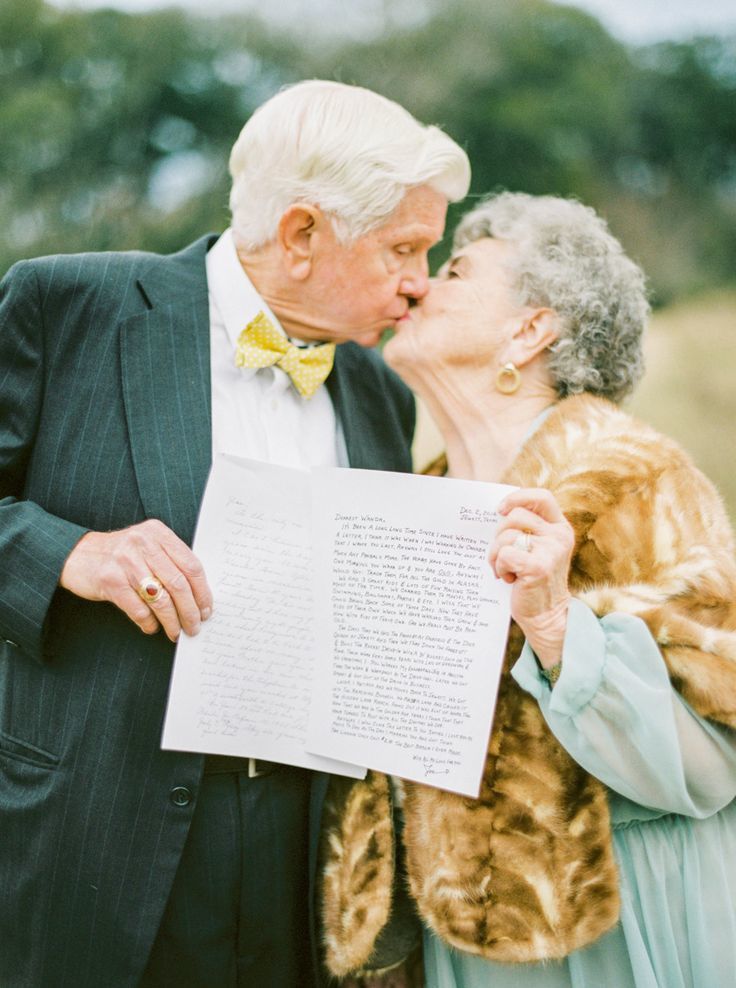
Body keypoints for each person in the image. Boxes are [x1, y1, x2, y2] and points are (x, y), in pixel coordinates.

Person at [0, 79, 470, 988]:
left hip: (309, 851)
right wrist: (71, 554)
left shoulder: (379, 390)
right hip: (96, 829)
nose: (420, 283)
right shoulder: (67, 306)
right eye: (405, 249)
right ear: (301, 235)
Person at [318, 192, 736, 988]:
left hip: (619, 916)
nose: (418, 286)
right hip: (461, 942)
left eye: (455, 270)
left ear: (531, 329)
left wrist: (555, 628)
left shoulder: (635, 477)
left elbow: (718, 743)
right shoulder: (416, 499)